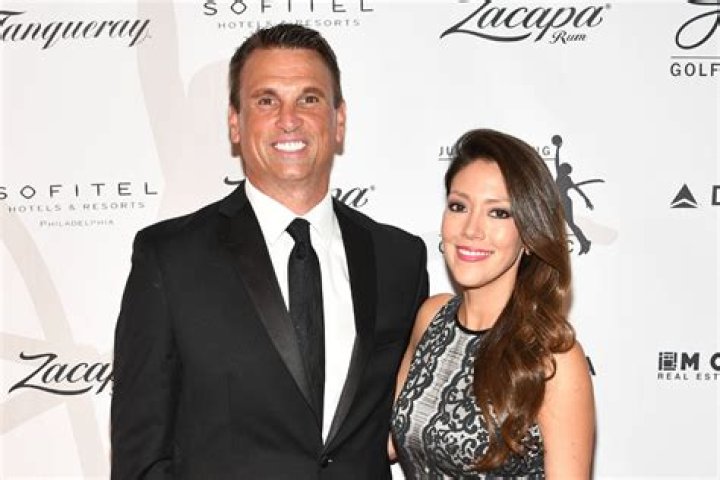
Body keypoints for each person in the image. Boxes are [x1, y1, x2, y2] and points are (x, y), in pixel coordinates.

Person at [111, 24, 428, 479]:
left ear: (339, 120)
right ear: (235, 123)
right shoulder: (170, 258)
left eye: (309, 98)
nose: (289, 118)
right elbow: (139, 459)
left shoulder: (399, 259)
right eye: (266, 101)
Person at [390, 129, 595, 478]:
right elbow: (388, 442)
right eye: (459, 206)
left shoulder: (553, 359)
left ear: (529, 234)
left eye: (498, 213)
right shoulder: (431, 317)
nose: (471, 229)